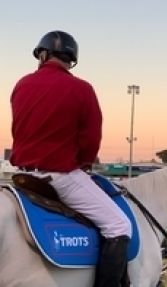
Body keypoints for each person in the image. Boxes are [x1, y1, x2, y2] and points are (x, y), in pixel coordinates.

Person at [10, 30, 132, 287]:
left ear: (42, 55)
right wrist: (85, 162)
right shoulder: (83, 89)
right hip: (61, 177)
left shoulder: (21, 84)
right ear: (71, 60)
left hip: (22, 176)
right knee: (119, 226)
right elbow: (91, 139)